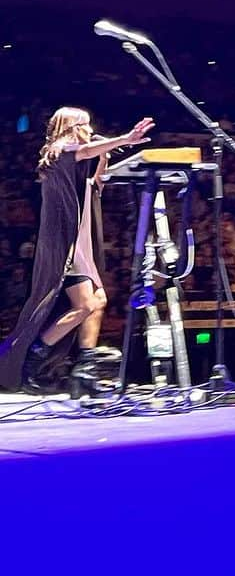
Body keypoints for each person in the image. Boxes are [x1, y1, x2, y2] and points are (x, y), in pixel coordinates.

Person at [0, 107, 154, 393]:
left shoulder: (75, 168)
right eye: (85, 125)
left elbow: (96, 184)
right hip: (65, 248)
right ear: (72, 127)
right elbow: (82, 150)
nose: (90, 130)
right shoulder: (59, 153)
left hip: (81, 247)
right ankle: (35, 356)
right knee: (85, 304)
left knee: (98, 301)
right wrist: (124, 138)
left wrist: (105, 155)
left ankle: (85, 367)